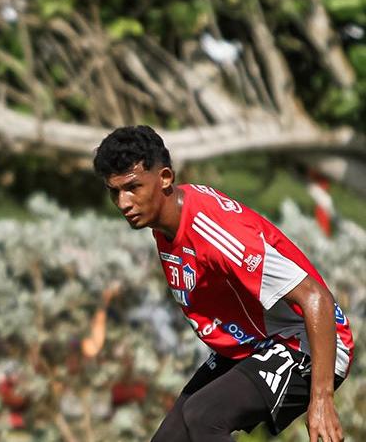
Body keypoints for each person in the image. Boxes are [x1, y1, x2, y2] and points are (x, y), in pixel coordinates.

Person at [93, 126, 354, 442]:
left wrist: (322, 400)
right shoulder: (165, 221)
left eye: (133, 187)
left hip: (309, 342)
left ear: (164, 178)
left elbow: (316, 298)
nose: (123, 203)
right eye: (114, 191)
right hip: (251, 345)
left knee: (204, 417)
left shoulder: (213, 230)